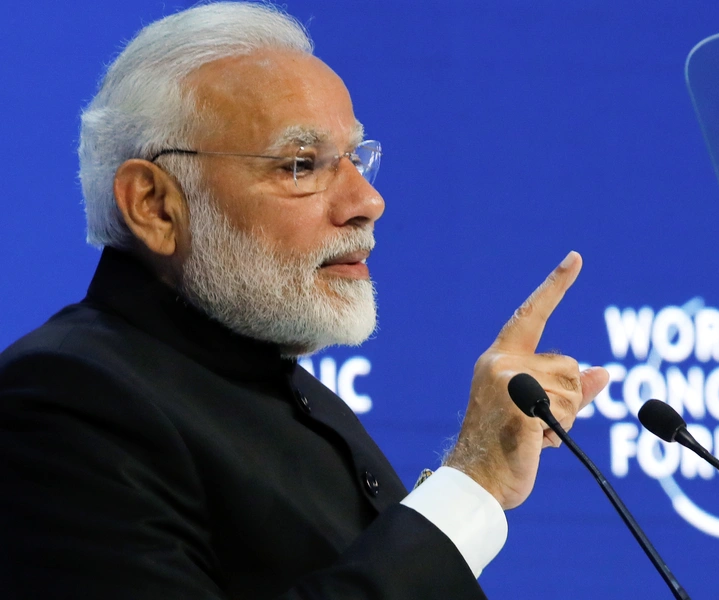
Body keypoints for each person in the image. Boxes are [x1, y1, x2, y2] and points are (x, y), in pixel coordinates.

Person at [0, 3, 609, 598]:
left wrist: (481, 480)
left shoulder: (293, 396)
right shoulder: (65, 400)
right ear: (155, 205)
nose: (367, 200)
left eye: (354, 157)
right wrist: (474, 483)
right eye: (300, 165)